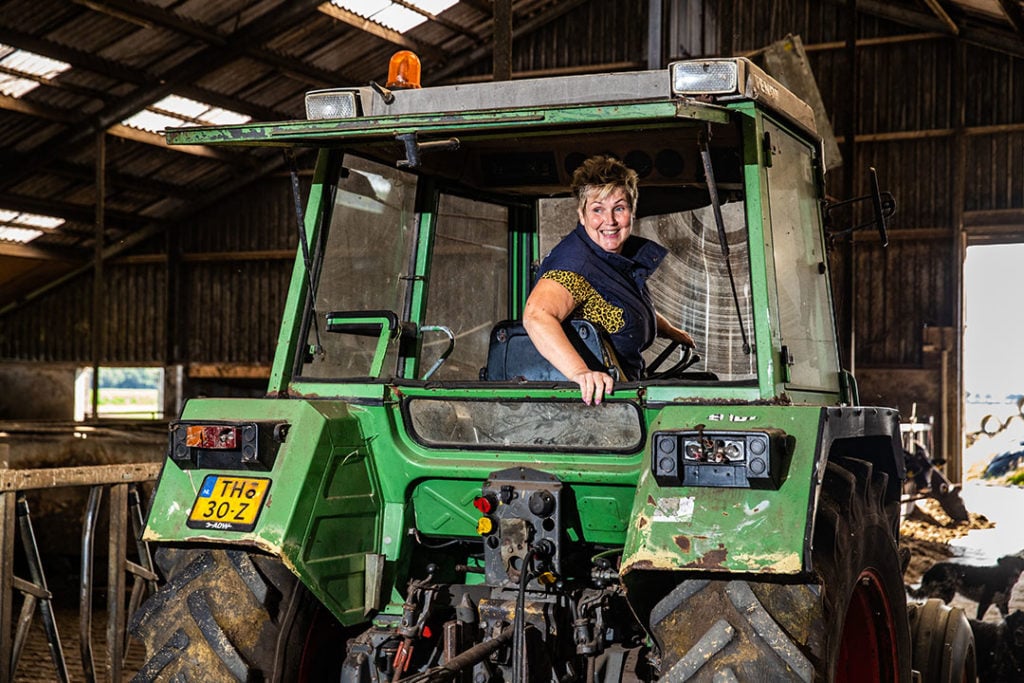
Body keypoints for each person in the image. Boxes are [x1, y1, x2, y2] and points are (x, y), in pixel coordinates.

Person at [523, 155, 694, 405]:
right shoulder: (576, 265)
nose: (610, 221)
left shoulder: (610, 258)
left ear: (632, 212)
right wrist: (580, 373)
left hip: (624, 397)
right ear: (582, 215)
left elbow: (618, 302)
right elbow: (536, 316)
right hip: (593, 406)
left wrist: (667, 329)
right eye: (597, 210)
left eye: (619, 208)